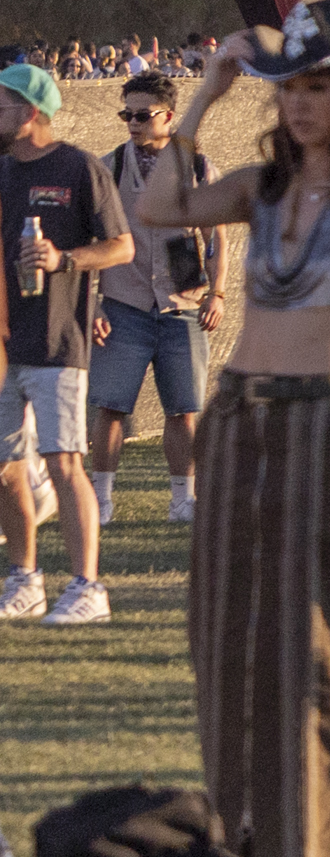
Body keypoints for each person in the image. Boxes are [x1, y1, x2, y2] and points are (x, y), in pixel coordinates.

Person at [136, 4, 330, 851]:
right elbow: (163, 210)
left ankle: (329, 833)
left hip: (326, 422)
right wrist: (204, 101)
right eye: (292, 89)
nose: (300, 106)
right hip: (241, 414)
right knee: (226, 631)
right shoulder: (261, 188)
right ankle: (248, 826)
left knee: (325, 643)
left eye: (320, 88)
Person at [5, 56, 130, 624]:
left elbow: (122, 246)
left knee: (63, 464)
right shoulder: (3, 172)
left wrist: (64, 259)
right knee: (6, 468)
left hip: (59, 341)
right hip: (6, 346)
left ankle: (87, 588)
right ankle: (25, 580)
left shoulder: (79, 168)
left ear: (29, 112)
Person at [88, 66, 213, 529]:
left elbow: (213, 234)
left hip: (182, 303)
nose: (134, 123)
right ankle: (100, 497)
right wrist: (94, 303)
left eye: (143, 115)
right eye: (128, 114)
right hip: (124, 301)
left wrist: (216, 293)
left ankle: (184, 499)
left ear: (170, 116)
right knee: (111, 406)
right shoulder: (109, 166)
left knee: (184, 409)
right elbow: (90, 238)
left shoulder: (196, 165)